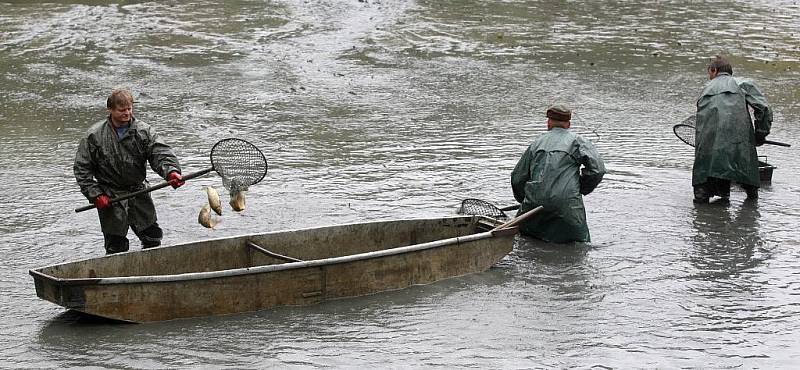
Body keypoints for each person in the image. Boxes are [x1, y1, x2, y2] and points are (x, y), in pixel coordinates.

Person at [74, 89, 185, 254]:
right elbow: (82, 169)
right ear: (110, 110)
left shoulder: (143, 131)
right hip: (110, 196)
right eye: (122, 110)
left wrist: (171, 172)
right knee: (116, 246)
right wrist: (96, 194)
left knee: (153, 237)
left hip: (139, 192)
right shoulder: (94, 136)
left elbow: (160, 153)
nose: (127, 113)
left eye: (129, 109)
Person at [511, 105, 605, 243]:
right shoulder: (578, 141)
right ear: (568, 124)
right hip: (568, 206)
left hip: (534, 205)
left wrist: (525, 200)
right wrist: (581, 188)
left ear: (548, 122)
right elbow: (597, 170)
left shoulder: (536, 143)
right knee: (577, 246)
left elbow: (517, 178)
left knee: (526, 241)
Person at [692, 56, 773, 203]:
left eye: (709, 73)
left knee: (701, 199)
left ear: (714, 70)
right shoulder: (743, 83)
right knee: (752, 198)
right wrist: (760, 134)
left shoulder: (705, 89)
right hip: (739, 145)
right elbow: (764, 109)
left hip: (706, 149)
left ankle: (708, 203)